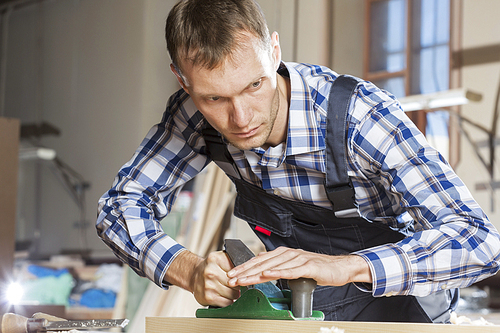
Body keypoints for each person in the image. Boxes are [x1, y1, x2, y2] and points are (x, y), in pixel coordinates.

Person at [96, 0, 500, 322]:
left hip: (400, 311)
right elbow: (118, 207)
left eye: (254, 85)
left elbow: (479, 241)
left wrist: (346, 266)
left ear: (273, 51)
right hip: (304, 312)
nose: (241, 119)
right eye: (214, 98)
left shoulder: (360, 117)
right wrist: (188, 268)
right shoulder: (192, 115)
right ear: (183, 80)